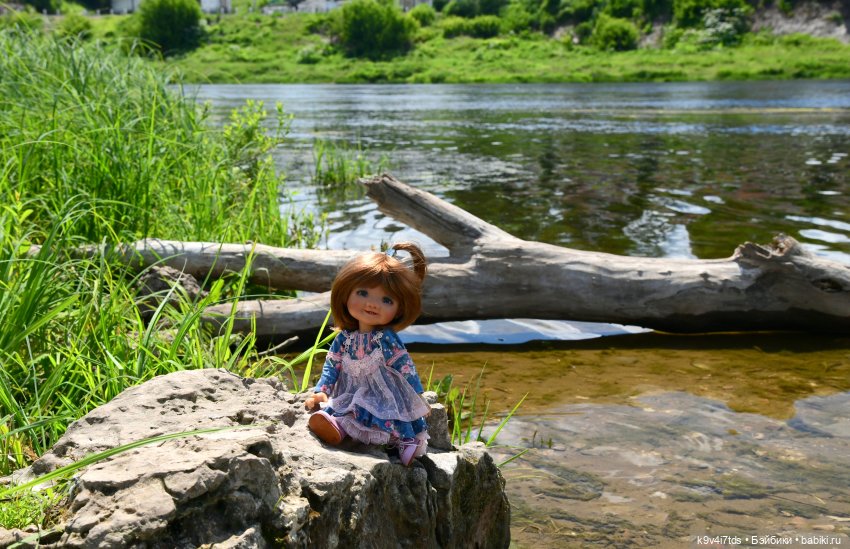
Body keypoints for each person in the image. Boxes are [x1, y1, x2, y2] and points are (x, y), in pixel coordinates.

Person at [304, 242, 431, 466]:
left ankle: (405, 440)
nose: (372, 304)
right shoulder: (345, 338)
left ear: (399, 309)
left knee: (389, 413)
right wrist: (322, 390)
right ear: (345, 293)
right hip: (351, 390)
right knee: (346, 407)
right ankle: (336, 428)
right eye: (362, 293)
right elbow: (332, 364)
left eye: (386, 300)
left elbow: (404, 366)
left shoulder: (386, 338)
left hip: (382, 392)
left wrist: (417, 395)